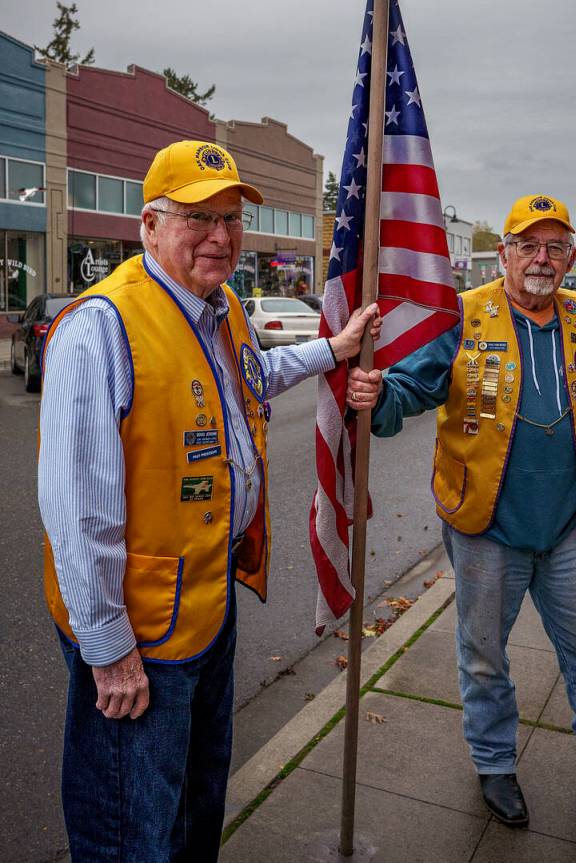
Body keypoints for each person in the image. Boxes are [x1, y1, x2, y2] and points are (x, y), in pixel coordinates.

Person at [38, 140, 380, 862]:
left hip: (207, 603)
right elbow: (79, 512)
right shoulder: (100, 326)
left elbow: (256, 374)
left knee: (195, 804)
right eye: (198, 216)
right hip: (139, 634)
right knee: (131, 825)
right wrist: (109, 649)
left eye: (230, 217)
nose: (220, 236)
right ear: (150, 225)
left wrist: (335, 347)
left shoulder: (217, 307)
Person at [347, 194, 576, 848]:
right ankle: (495, 764)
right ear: (501, 253)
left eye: (555, 246)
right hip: (485, 527)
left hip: (564, 529)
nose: (541, 258)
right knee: (483, 659)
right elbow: (412, 388)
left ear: (567, 258)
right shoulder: (462, 315)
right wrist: (378, 393)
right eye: (527, 244)